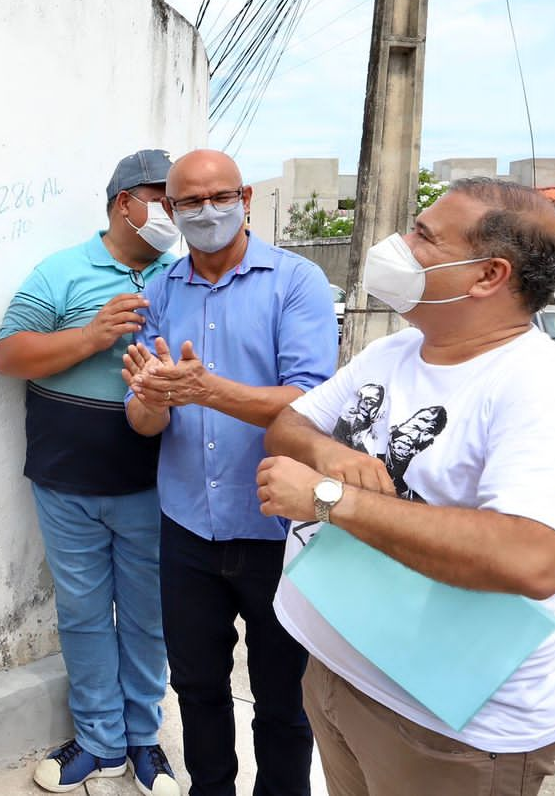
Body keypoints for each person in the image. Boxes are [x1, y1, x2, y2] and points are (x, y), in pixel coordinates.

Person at [258, 178, 555, 796]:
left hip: (446, 732)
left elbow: (532, 558)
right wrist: (326, 455)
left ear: (487, 276)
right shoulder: (396, 352)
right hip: (340, 675)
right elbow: (291, 425)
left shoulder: (543, 387)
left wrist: (328, 498)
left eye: (423, 236)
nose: (399, 246)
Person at [122, 148, 338, 796]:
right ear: (171, 209)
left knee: (282, 701)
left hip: (276, 530)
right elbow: (140, 418)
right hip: (186, 525)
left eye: (220, 197)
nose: (206, 210)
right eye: (190, 201)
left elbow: (312, 401)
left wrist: (206, 389)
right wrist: (154, 399)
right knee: (196, 689)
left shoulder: (295, 282)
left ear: (245, 200)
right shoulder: (157, 291)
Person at [0, 149, 180, 796]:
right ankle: (99, 741)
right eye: (160, 196)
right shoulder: (62, 272)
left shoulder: (181, 277)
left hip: (155, 481)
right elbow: (9, 354)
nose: (171, 211)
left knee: (149, 615)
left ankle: (143, 739)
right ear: (123, 201)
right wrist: (92, 337)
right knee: (82, 613)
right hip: (66, 480)